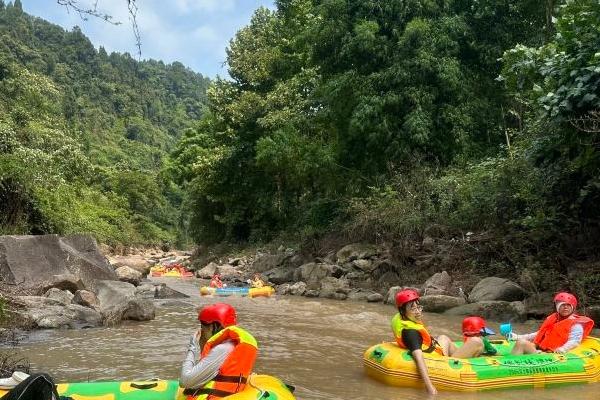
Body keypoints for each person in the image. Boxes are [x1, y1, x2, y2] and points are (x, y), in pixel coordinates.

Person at [392, 289, 485, 395]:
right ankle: (477, 356)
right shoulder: (410, 332)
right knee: (477, 342)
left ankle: (469, 352)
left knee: (444, 337)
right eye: (412, 308)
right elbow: (418, 358)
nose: (417, 312)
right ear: (403, 311)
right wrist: (430, 387)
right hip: (440, 362)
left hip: (436, 352)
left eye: (418, 307)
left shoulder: (402, 318)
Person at [180, 303, 258, 399]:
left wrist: (192, 347)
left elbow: (185, 381)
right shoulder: (234, 345)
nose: (201, 330)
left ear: (214, 326)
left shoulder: (222, 349)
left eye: (203, 325)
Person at [509, 292, 594, 355]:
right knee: (521, 341)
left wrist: (563, 349)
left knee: (522, 343)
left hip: (552, 354)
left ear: (572, 308)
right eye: (563, 305)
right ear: (557, 307)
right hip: (541, 350)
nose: (565, 308)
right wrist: (518, 336)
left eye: (568, 305)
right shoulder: (553, 319)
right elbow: (540, 334)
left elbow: (575, 341)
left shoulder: (576, 325)